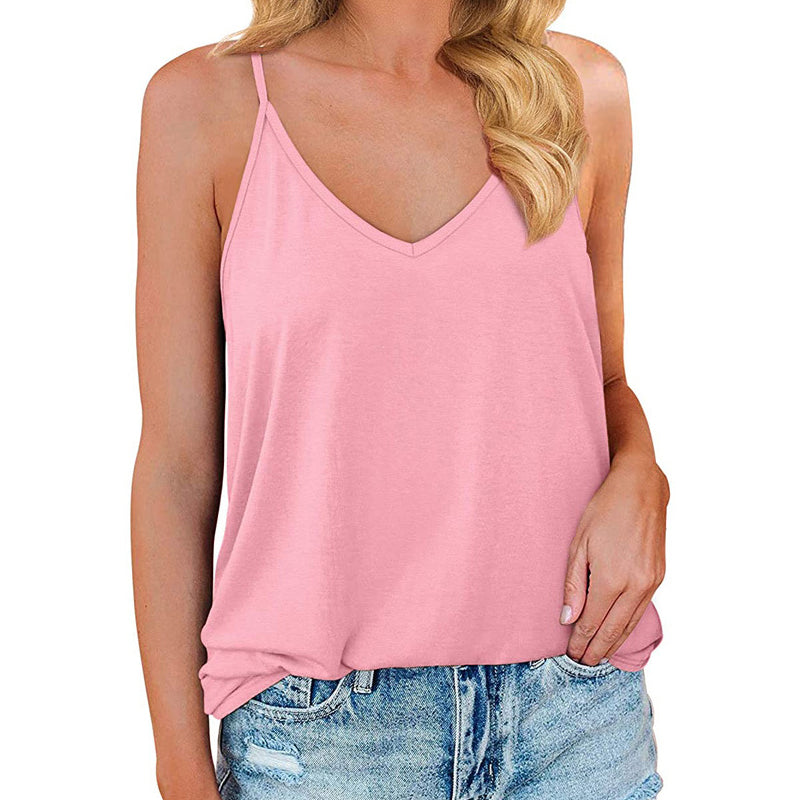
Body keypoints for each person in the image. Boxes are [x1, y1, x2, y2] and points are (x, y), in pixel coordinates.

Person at [132, 1, 669, 798]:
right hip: (319, 738)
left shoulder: (582, 90)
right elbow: (177, 468)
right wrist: (179, 770)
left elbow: (603, 381)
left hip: (577, 714)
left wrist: (644, 474)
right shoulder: (206, 104)